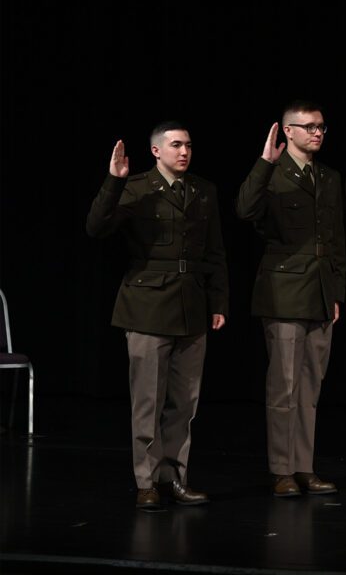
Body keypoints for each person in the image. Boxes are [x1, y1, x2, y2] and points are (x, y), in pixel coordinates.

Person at [86, 122, 228, 509]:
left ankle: (175, 478)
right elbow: (96, 228)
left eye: (188, 145)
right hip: (147, 306)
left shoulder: (203, 190)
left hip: (192, 308)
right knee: (147, 402)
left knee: (184, 404)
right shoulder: (136, 187)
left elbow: (214, 250)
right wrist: (114, 182)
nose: (184, 151)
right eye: (176, 145)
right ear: (156, 151)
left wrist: (218, 302)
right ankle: (146, 482)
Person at [235, 101, 345, 497]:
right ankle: (282, 470)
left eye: (321, 126)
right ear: (289, 132)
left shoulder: (329, 177)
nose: (317, 132)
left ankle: (304, 467)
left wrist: (335, 293)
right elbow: (244, 209)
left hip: (319, 293)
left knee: (310, 388)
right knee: (283, 386)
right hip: (283, 292)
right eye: (309, 126)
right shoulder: (273, 174)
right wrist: (264, 163)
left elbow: (335, 240)